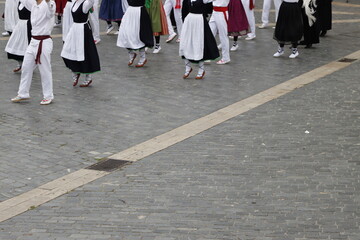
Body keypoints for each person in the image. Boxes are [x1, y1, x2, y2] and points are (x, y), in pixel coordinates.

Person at [11, 0, 56, 105]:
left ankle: (48, 95)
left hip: (44, 42)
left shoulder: (48, 4)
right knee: (26, 67)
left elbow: (51, 11)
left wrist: (49, 2)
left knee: (45, 70)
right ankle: (23, 93)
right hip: (33, 42)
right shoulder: (34, 4)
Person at [61, 0, 100, 87]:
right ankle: (75, 70)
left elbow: (91, 2)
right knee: (66, 51)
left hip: (83, 30)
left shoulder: (85, 3)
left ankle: (88, 77)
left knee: (85, 53)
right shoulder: (74, 3)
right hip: (74, 29)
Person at [179, 0, 220, 79]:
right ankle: (187, 68)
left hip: (199, 22)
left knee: (198, 44)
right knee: (185, 44)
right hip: (189, 21)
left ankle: (201, 70)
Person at [116, 0, 154, 67]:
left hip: (139, 11)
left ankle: (143, 57)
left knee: (138, 35)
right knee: (125, 34)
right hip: (130, 11)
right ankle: (131, 53)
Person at [5, 1, 31, 73]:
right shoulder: (20, 2)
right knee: (15, 45)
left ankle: (28, 65)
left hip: (28, 26)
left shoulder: (31, 3)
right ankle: (20, 64)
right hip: (20, 26)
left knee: (26, 46)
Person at [209, 0, 230, 64]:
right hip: (215, 11)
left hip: (221, 12)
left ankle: (226, 58)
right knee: (209, 34)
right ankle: (207, 55)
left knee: (223, 36)